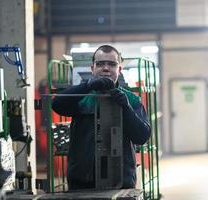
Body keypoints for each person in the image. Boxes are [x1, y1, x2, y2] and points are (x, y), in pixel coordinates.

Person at [52, 45, 151, 190]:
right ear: (92, 69)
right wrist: (87, 86)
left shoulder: (131, 100)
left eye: (111, 64)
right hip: (82, 181)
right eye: (100, 64)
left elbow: (142, 137)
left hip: (121, 181)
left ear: (119, 69)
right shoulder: (81, 97)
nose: (106, 68)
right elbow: (56, 104)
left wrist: (126, 108)